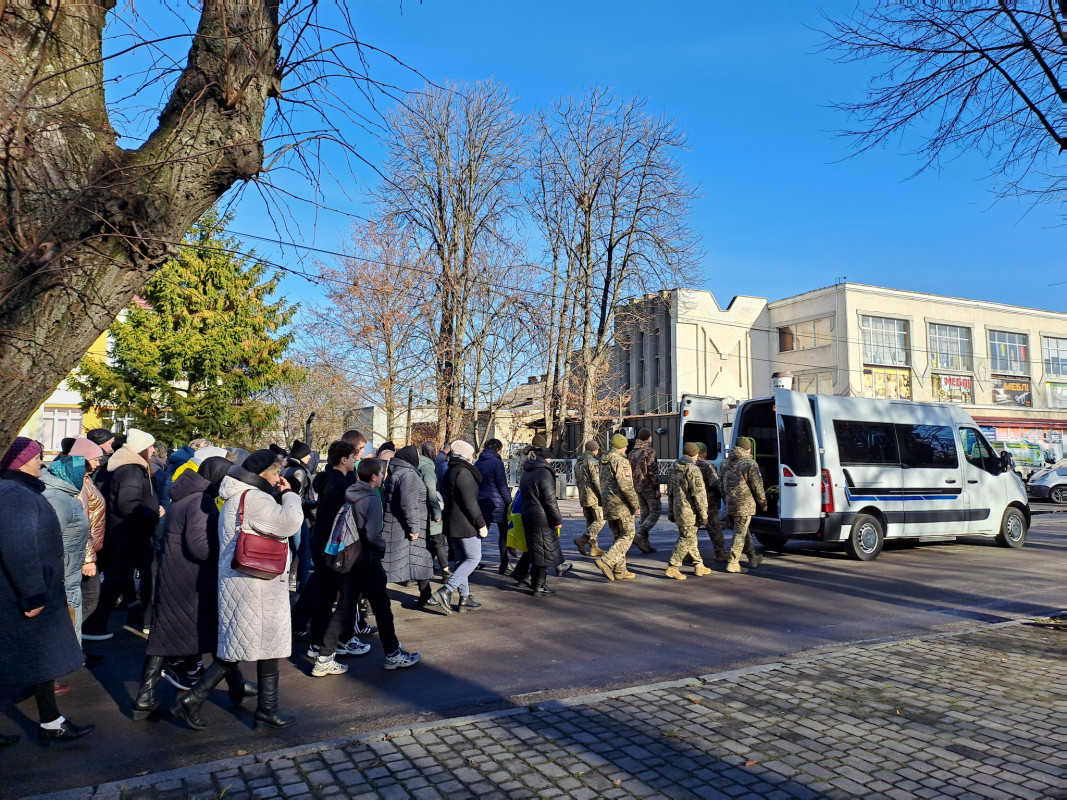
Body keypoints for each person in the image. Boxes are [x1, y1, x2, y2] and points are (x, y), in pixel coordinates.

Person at [173, 450, 303, 730]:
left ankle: (267, 709)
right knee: (237, 648)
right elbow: (289, 523)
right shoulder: (254, 497)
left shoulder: (239, 494)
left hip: (249, 582)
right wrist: (291, 495)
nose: (278, 477)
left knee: (262, 645)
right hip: (254, 584)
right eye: (276, 472)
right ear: (265, 473)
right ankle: (194, 699)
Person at [131, 457, 255, 718]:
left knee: (170, 636)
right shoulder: (202, 502)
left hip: (177, 575)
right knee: (217, 634)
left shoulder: (185, 497)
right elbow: (200, 546)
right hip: (193, 580)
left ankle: (145, 698)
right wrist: (227, 552)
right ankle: (235, 687)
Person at [0, 438, 94, 746]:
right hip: (24, 597)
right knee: (18, 661)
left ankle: (52, 723)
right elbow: (19, 549)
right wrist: (33, 595)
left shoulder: (20, 492)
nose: (42, 463)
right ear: (21, 462)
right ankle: (52, 724)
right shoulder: (16, 495)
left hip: (33, 592)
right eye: (38, 458)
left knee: (40, 660)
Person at [82, 428, 163, 640]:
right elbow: (127, 504)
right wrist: (153, 513)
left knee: (123, 577)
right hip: (132, 531)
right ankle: (98, 623)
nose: (153, 450)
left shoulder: (130, 466)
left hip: (129, 531)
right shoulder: (131, 470)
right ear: (141, 449)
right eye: (150, 446)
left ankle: (101, 622)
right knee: (140, 576)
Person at [345, 459, 419, 669]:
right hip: (368, 558)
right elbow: (373, 534)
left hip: (351, 557)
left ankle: (325, 653)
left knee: (347, 605)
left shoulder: (350, 494)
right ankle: (393, 652)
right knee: (382, 608)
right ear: (375, 476)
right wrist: (381, 545)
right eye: (382, 473)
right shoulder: (371, 500)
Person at [40, 450, 96, 644]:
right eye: (85, 476)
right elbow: (49, 537)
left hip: (68, 570)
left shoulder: (65, 495)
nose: (87, 481)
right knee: (64, 617)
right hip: (61, 573)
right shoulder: (58, 499)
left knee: (70, 615)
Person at [381, 445, 434, 606]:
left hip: (397, 526)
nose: (419, 457)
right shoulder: (409, 474)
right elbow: (408, 504)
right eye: (417, 454)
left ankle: (426, 595)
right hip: (405, 527)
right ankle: (370, 601)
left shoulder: (398, 471)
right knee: (389, 566)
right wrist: (414, 528)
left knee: (419, 560)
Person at [437, 440, 486, 613]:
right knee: (473, 558)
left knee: (460, 560)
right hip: (465, 524)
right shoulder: (463, 472)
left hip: (452, 522)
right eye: (471, 453)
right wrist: (481, 523)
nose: (473, 457)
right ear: (464, 454)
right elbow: (470, 502)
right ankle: (446, 590)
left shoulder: (451, 469)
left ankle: (464, 598)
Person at [518, 441, 566, 597]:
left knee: (535, 549)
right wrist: (557, 519)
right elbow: (550, 500)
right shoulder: (544, 472)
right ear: (547, 459)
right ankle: (540, 585)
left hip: (528, 515)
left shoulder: (527, 471)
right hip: (542, 517)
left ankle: (527, 578)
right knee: (544, 551)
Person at [594, 434, 641, 582]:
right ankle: (607, 561)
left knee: (618, 535)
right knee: (628, 534)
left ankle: (620, 570)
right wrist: (635, 505)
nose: (627, 448)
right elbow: (626, 486)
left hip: (608, 504)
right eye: (626, 446)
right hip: (621, 505)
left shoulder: (604, 461)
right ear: (621, 447)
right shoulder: (620, 461)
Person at [718, 437, 767, 574]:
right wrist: (763, 502)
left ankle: (752, 557)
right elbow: (757, 486)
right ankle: (733, 563)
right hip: (744, 505)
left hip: (730, 503)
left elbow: (720, 484)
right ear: (748, 448)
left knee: (744, 531)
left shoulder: (725, 463)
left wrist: (726, 499)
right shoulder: (749, 463)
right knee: (740, 533)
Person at [665, 443, 712, 580]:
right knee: (686, 538)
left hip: (677, 508)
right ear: (695, 454)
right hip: (689, 511)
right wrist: (704, 514)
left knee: (690, 536)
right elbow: (699, 494)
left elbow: (670, 492)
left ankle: (699, 565)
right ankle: (673, 567)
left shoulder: (674, 467)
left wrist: (670, 511)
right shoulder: (693, 469)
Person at [283, 440, 316, 593]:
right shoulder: (299, 472)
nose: (310, 457)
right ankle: (302, 588)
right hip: (298, 516)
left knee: (291, 551)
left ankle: (289, 582)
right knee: (304, 552)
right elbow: (299, 498)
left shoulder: (286, 469)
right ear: (302, 456)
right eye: (308, 454)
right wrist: (314, 504)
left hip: (287, 513)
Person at [475, 439, 512, 574]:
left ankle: (473, 560)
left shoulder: (478, 462)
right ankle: (504, 563)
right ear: (498, 449)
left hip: (481, 502)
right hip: (497, 504)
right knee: (504, 533)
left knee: (482, 532)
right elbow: (502, 486)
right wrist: (509, 502)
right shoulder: (497, 463)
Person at [417, 442, 449, 579]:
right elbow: (431, 491)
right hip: (431, 509)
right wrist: (437, 513)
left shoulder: (418, 465)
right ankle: (446, 571)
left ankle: (426, 568)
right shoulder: (428, 468)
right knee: (439, 540)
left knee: (430, 541)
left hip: (421, 509)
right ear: (433, 452)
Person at [628, 428, 659, 553]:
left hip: (637, 486)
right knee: (656, 510)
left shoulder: (632, 453)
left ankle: (645, 542)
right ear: (648, 437)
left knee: (645, 511)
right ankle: (640, 534)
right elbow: (652, 471)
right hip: (648, 486)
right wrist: (656, 487)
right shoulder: (649, 452)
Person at [573, 440, 605, 558]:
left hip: (583, 495)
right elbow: (597, 481)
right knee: (600, 519)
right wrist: (602, 495)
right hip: (593, 496)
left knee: (591, 521)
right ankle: (583, 539)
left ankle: (594, 548)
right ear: (594, 450)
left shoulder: (578, 462)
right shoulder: (593, 462)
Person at [695, 443, 727, 563]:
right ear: (704, 453)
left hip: (692, 503)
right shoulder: (707, 465)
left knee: (692, 531)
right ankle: (720, 553)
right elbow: (715, 482)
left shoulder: (687, 464)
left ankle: (688, 553)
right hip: (708, 503)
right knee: (715, 528)